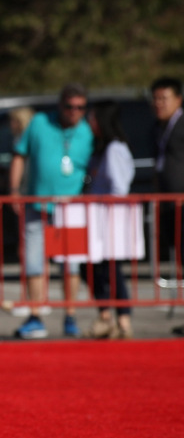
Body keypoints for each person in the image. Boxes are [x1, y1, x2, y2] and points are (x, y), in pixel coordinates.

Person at [9, 84, 94, 339]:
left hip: (72, 210)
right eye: (69, 107)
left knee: (71, 266)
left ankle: (70, 315)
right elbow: (19, 156)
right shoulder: (39, 123)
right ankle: (36, 316)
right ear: (60, 105)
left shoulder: (87, 132)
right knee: (34, 261)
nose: (74, 112)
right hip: (37, 205)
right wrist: (14, 189)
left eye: (80, 108)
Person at [83, 102, 135, 339]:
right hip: (96, 219)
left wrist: (101, 203)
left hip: (110, 218)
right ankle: (105, 316)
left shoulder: (115, 148)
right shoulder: (100, 148)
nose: (89, 124)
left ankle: (123, 321)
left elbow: (119, 187)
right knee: (94, 269)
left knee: (112, 270)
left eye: (93, 119)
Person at [148, 77, 184, 337]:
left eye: (164, 98)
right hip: (170, 204)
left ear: (178, 99)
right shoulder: (159, 127)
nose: (159, 104)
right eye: (156, 99)